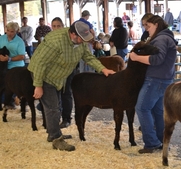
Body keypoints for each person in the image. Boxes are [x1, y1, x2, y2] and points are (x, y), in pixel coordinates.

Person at [27, 21, 115, 151]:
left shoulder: (81, 41)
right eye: (81, 39)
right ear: (73, 34)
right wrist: (38, 85)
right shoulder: (55, 41)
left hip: (59, 75)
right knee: (53, 108)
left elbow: (88, 57)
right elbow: (40, 64)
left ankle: (53, 133)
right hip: (44, 75)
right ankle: (56, 139)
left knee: (56, 106)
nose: (83, 42)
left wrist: (103, 69)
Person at [129, 15, 177, 154]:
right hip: (165, 79)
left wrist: (136, 58)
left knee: (142, 108)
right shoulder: (167, 37)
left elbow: (157, 59)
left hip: (155, 79)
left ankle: (151, 143)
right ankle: (161, 141)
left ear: (156, 24)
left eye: (148, 26)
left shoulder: (161, 39)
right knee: (157, 111)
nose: (146, 29)